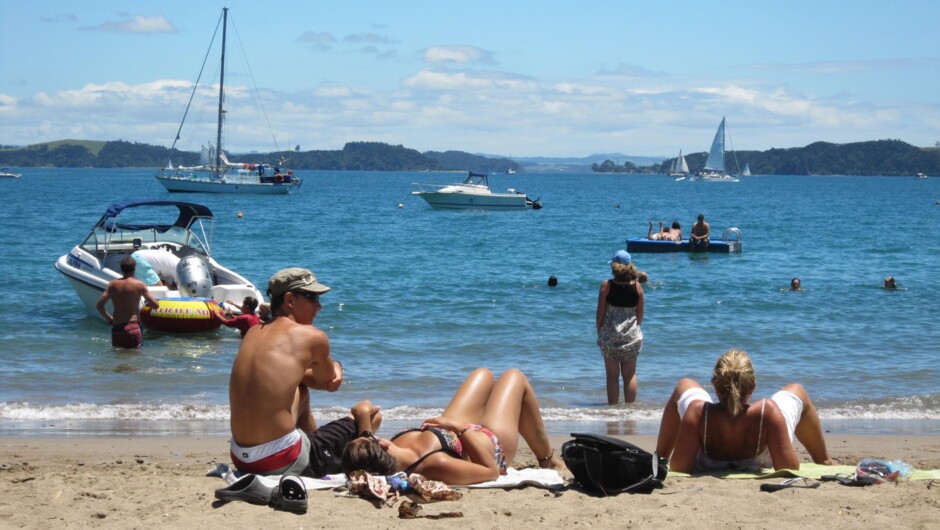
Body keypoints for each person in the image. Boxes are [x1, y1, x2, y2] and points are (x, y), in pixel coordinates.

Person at [229, 267, 368, 477]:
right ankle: (314, 446)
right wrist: (338, 366)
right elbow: (329, 382)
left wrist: (306, 376)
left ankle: (312, 440)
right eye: (312, 298)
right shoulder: (312, 336)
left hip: (241, 458)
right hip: (279, 459)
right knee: (369, 417)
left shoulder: (252, 332)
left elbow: (293, 378)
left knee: (300, 391)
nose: (319, 307)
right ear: (289, 300)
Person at [340, 368, 565, 485]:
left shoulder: (385, 456)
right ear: (383, 445)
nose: (370, 434)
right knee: (514, 377)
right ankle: (546, 459)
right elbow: (491, 472)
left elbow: (365, 451)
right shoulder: (434, 465)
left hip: (450, 432)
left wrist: (362, 418)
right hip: (490, 444)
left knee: (483, 374)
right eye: (370, 437)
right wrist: (460, 429)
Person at [654, 349, 834, 473]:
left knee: (684, 385)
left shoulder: (698, 413)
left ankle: (659, 458)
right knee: (797, 390)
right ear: (752, 389)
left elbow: (679, 467)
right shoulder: (767, 412)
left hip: (709, 462)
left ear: (716, 389)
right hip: (761, 460)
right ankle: (823, 460)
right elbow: (788, 467)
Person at [596, 250, 644, 404]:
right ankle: (630, 411)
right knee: (629, 375)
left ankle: (613, 411)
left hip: (610, 335)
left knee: (612, 376)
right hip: (631, 336)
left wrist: (600, 333)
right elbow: (640, 315)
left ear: (614, 267)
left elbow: (600, 314)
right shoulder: (637, 287)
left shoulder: (606, 286)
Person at [96, 256, 160, 349]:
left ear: (122, 269)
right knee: (135, 359)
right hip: (133, 327)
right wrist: (148, 303)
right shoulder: (139, 284)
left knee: (118, 357)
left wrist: (109, 318)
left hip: (117, 328)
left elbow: (99, 305)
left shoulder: (112, 285)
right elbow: (155, 305)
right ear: (134, 269)